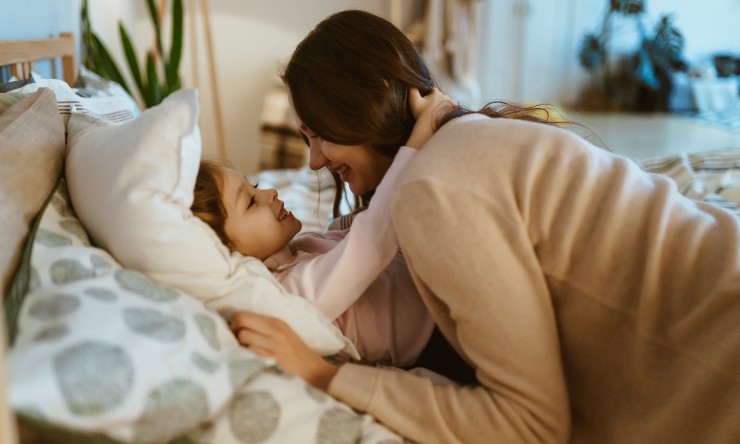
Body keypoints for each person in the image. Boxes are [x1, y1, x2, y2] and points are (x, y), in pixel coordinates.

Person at [230, 9, 740, 444]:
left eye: (321, 133)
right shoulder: (466, 139)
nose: (315, 161)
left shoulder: (434, 187)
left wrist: (325, 375)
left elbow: (529, 426)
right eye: (306, 138)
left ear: (377, 96)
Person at [191, 88, 457, 367]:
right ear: (227, 250)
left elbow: (349, 232)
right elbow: (370, 241)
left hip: (437, 288)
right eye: (250, 202)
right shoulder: (288, 291)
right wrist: (417, 141)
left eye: (254, 186)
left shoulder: (296, 251)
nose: (268, 193)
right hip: (439, 340)